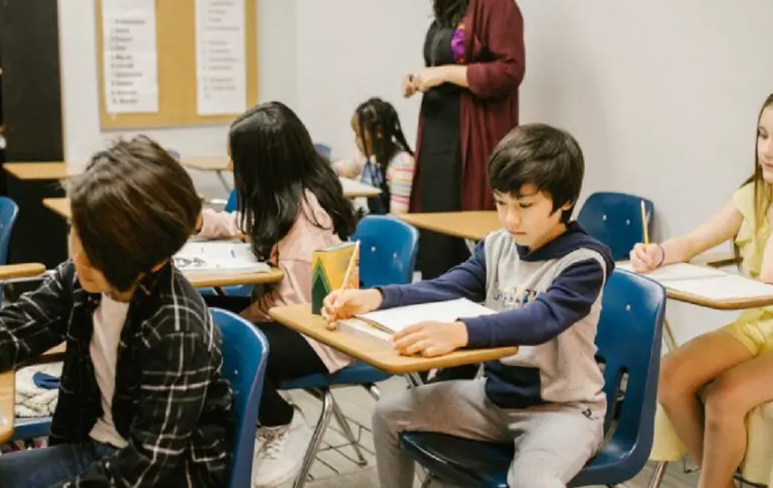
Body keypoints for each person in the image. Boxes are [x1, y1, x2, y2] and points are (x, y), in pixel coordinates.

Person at [0, 136, 232, 488]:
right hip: (92, 449)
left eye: (100, 249)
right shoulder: (84, 279)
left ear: (153, 258)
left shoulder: (177, 329)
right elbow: (20, 325)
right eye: (78, 231)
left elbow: (147, 466)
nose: (80, 257)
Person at [325, 124, 613, 488]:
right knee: (387, 413)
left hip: (563, 411)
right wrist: (376, 298)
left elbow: (541, 319)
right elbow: (449, 286)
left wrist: (460, 333)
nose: (510, 219)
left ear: (565, 201)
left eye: (524, 205)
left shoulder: (584, 261)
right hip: (493, 400)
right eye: (501, 203)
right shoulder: (497, 245)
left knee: (533, 481)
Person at [632, 79, 773, 488]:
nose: (766, 150)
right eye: (762, 135)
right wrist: (658, 252)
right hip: (761, 323)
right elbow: (694, 241)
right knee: (670, 375)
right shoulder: (755, 193)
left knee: (726, 396)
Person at [196, 101, 357, 487]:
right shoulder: (283, 200)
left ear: (262, 166)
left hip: (319, 333)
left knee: (215, 343)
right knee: (194, 311)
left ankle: (280, 421)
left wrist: (244, 316)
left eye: (237, 161)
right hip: (289, 312)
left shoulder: (309, 226)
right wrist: (201, 220)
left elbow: (296, 308)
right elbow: (243, 222)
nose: (232, 168)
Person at [403, 0, 526, 279]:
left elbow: (510, 69)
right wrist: (423, 78)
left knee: (467, 238)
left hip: (473, 136)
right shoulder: (453, 2)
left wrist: (445, 73)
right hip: (442, 133)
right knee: (437, 233)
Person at [333, 97, 415, 215]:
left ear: (378, 132)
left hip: (387, 228)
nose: (356, 141)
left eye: (359, 135)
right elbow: (341, 169)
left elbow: (398, 219)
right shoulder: (369, 157)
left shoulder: (401, 165)